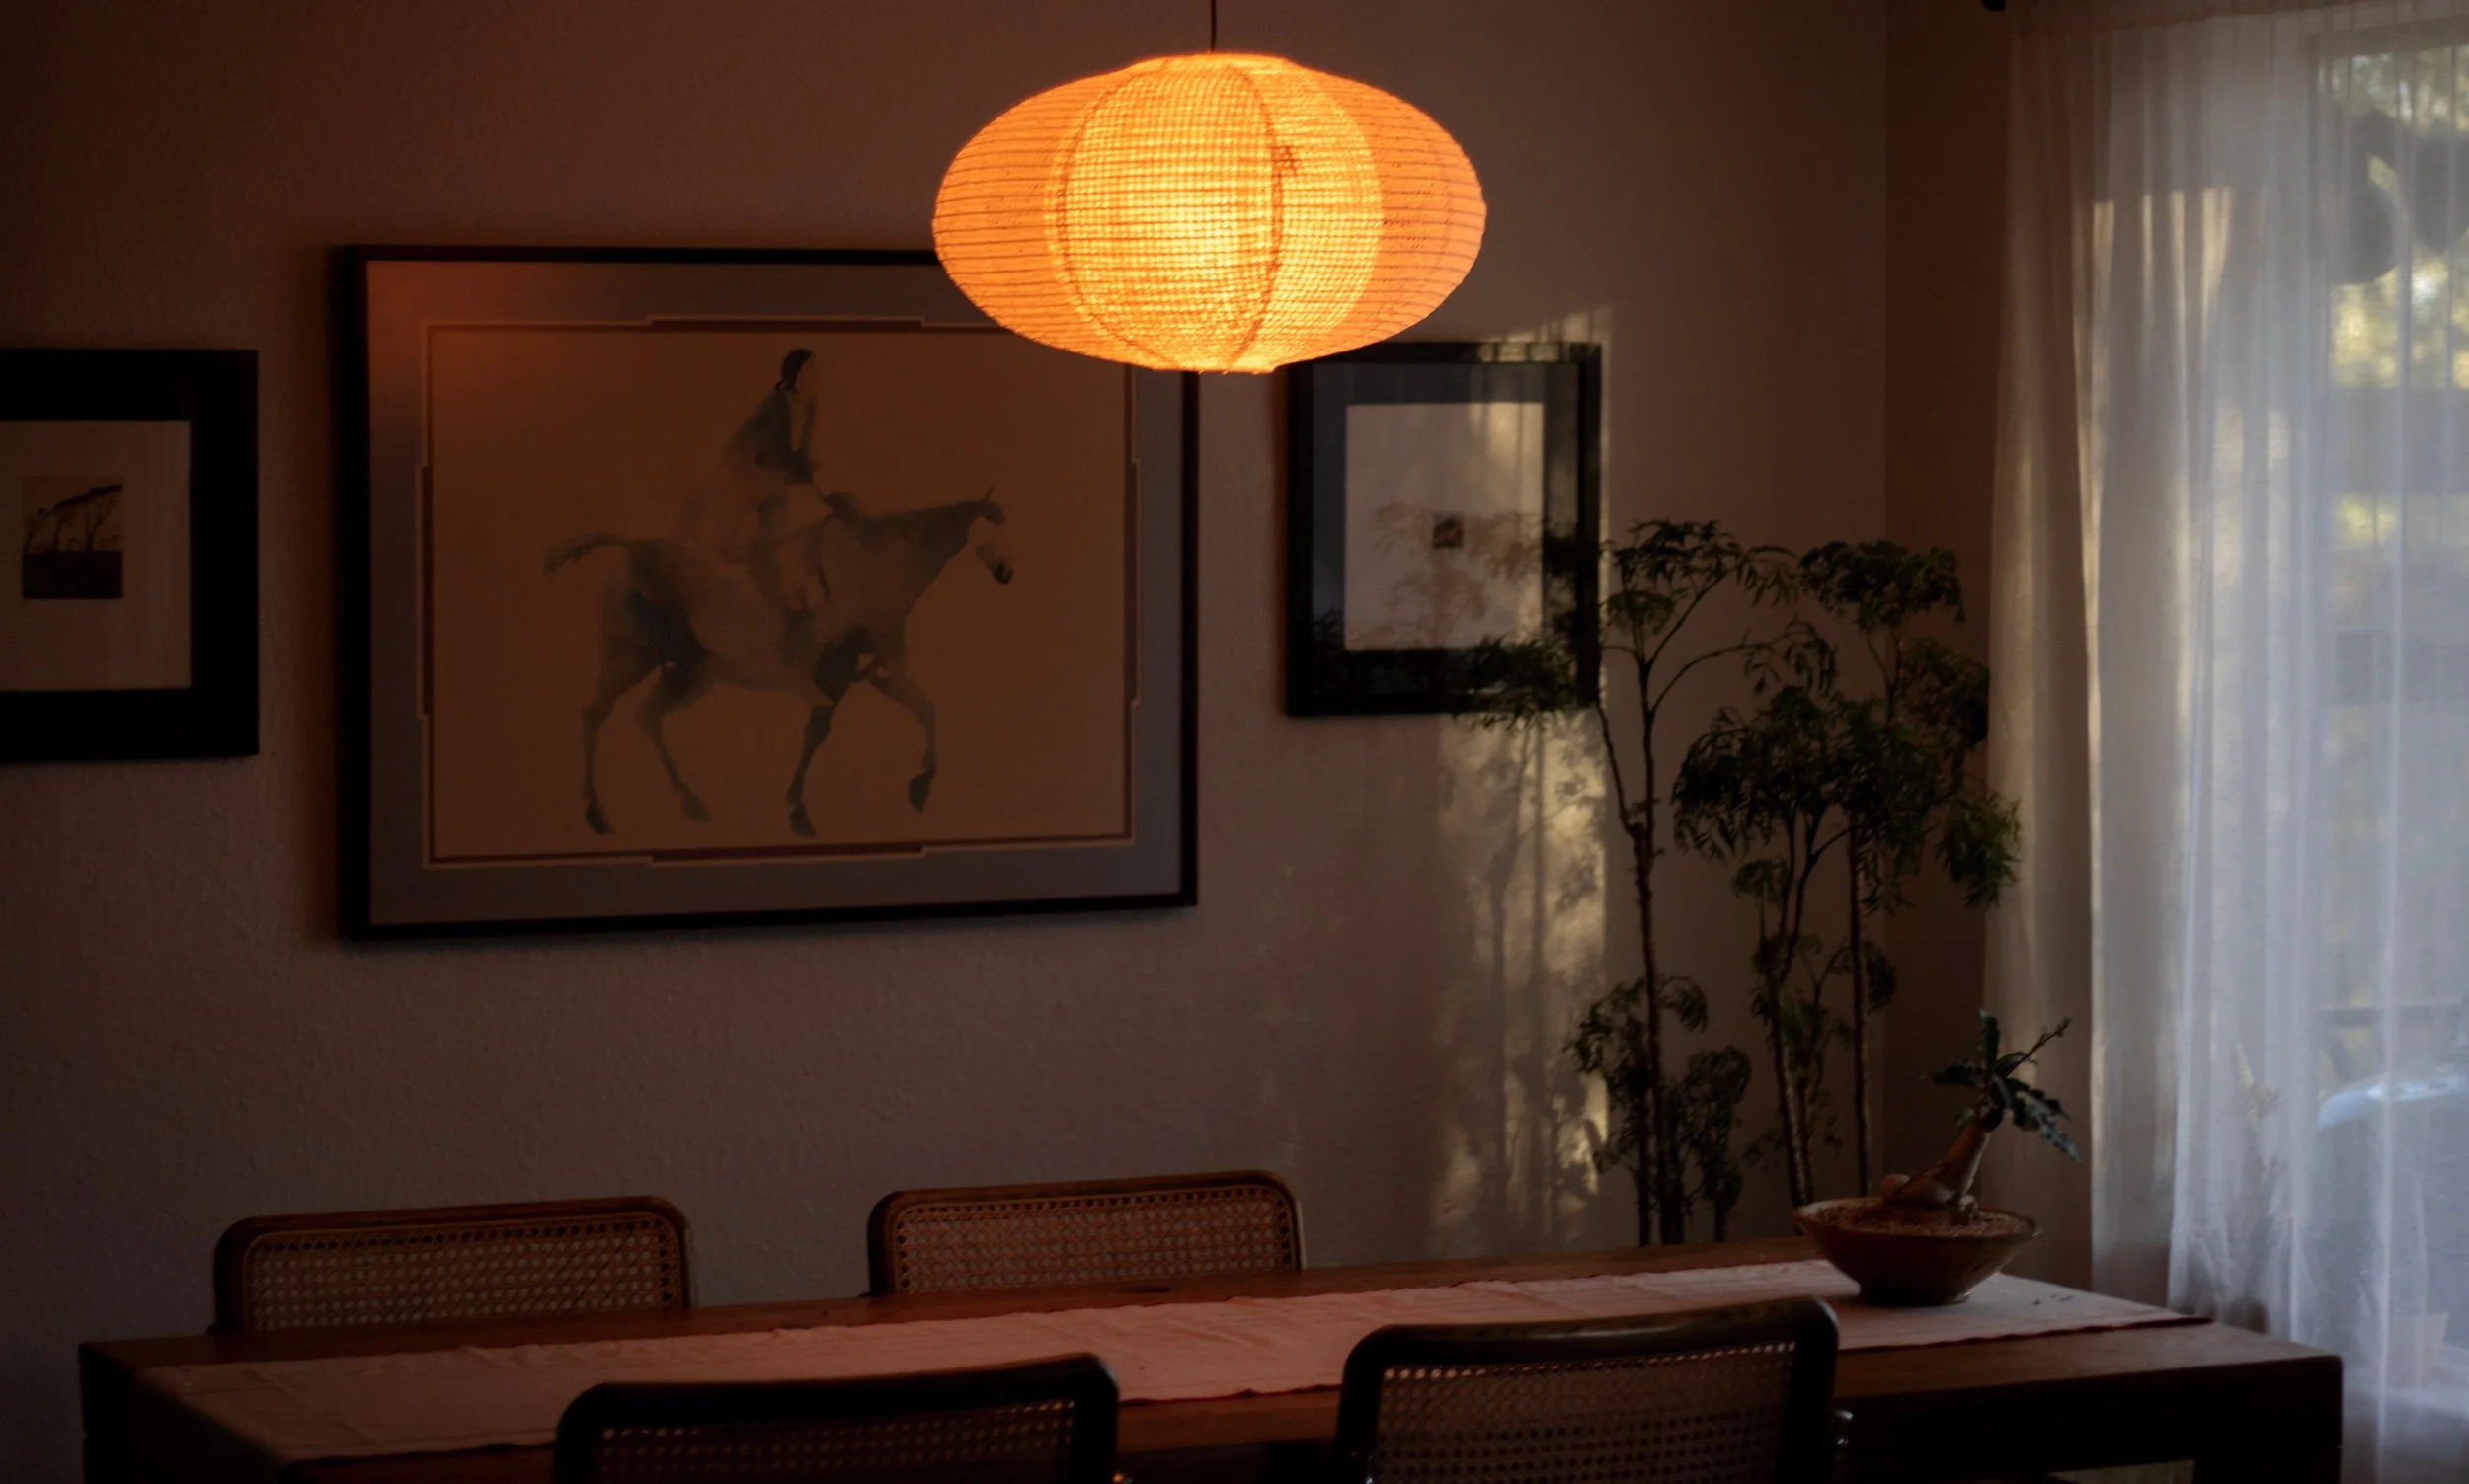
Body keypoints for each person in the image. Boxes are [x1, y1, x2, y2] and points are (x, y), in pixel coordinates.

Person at [681, 348, 829, 664]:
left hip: (791, 482)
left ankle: (812, 595)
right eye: (809, 373)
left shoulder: (810, 405)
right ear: (795, 375)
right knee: (788, 532)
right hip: (762, 482)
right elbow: (758, 450)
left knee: (827, 517)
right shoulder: (775, 405)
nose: (815, 379)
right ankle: (789, 615)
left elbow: (800, 452)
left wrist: (808, 463)